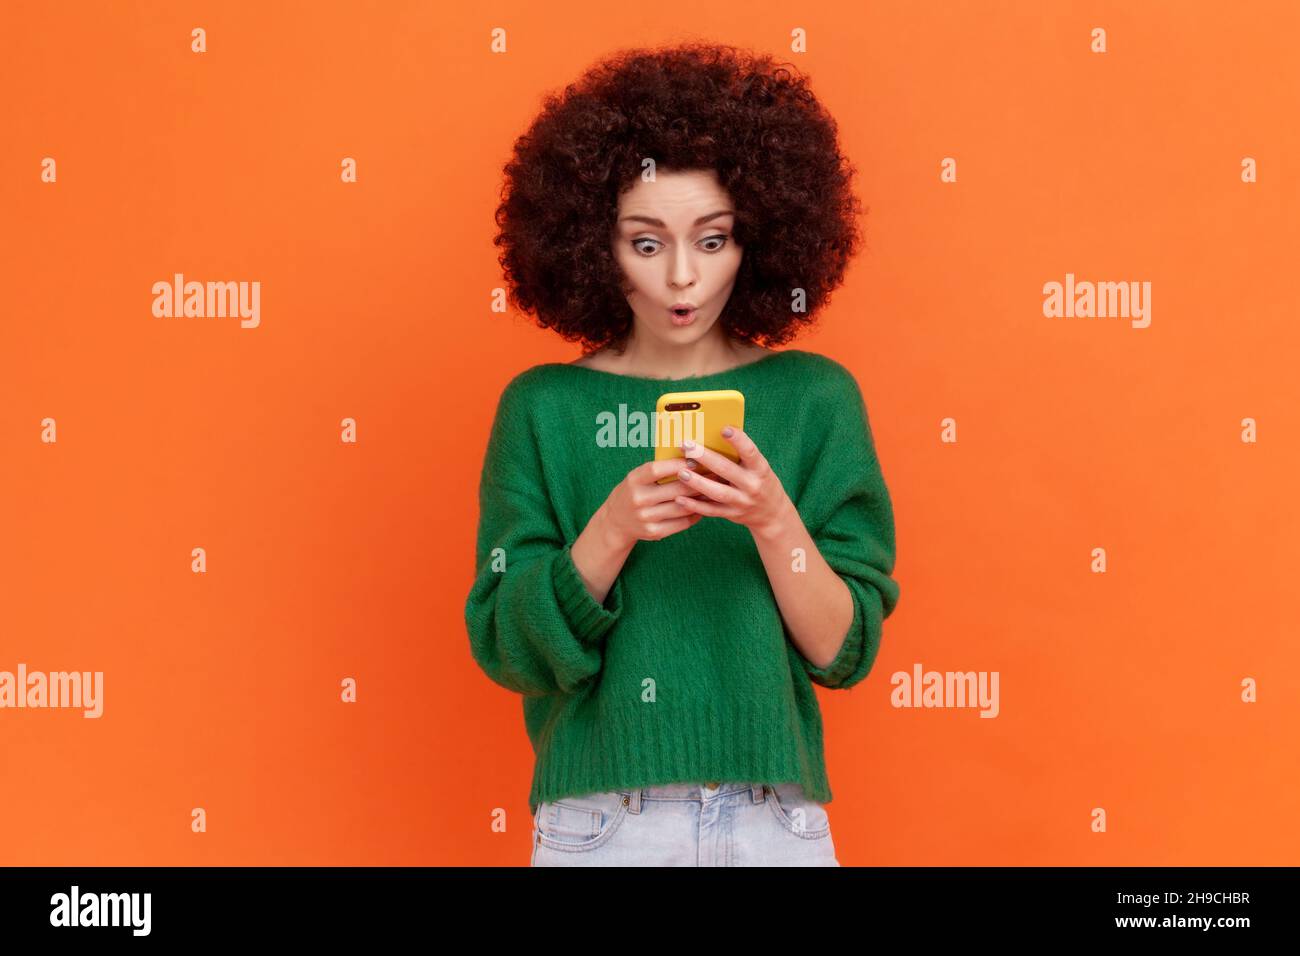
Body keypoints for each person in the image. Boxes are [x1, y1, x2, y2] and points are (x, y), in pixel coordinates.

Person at [464, 42, 901, 866]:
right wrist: (612, 530)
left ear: (757, 241)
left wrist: (775, 524)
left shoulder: (816, 400)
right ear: (594, 244)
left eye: (712, 240)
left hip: (777, 821)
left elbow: (844, 651)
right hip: (601, 825)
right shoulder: (541, 408)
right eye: (647, 242)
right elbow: (508, 647)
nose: (681, 282)